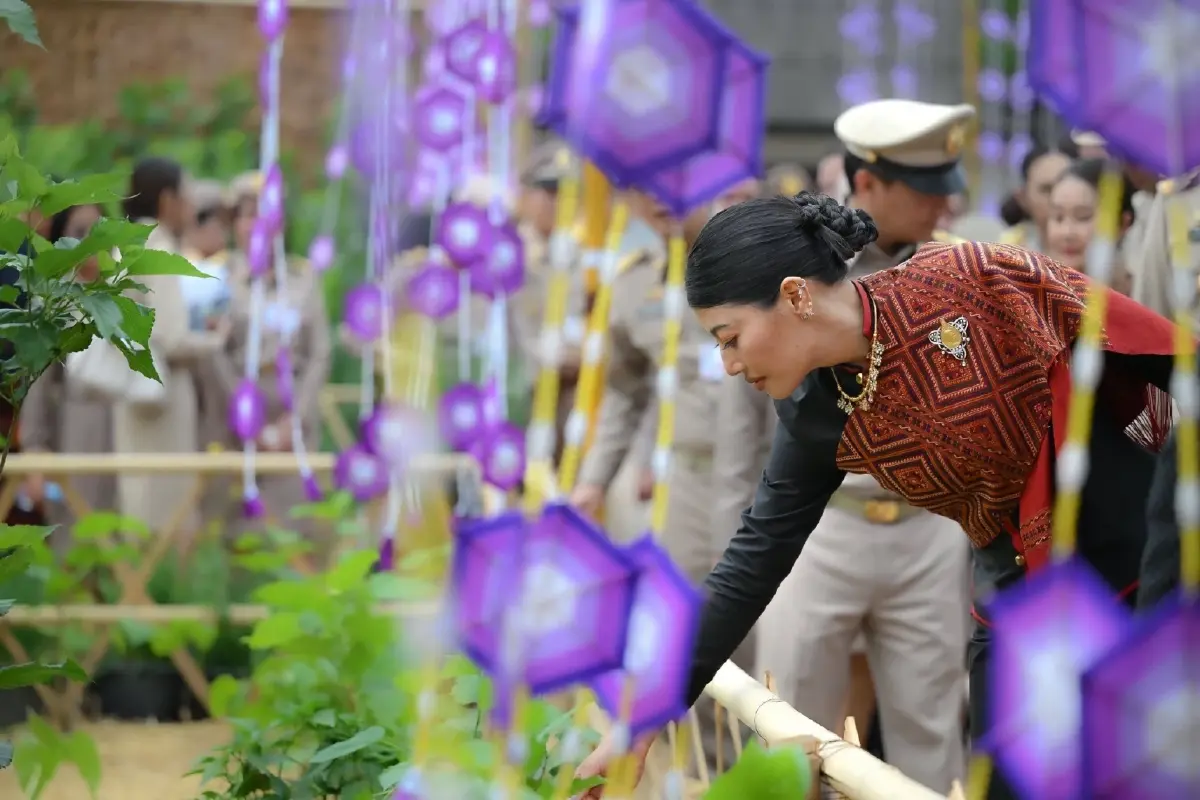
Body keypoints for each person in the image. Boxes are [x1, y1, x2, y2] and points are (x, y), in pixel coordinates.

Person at [574, 193, 1179, 800]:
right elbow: (753, 559)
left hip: (1138, 568)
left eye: (730, 337)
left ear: (794, 295)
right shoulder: (815, 410)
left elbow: (1151, 348)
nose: (729, 364)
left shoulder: (967, 276)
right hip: (1014, 594)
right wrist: (641, 721)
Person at [730, 99, 973, 792]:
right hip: (824, 526)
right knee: (790, 725)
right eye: (923, 190)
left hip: (928, 529)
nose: (942, 204)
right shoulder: (808, 272)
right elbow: (752, 402)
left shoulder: (960, 268)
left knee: (929, 733)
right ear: (867, 183)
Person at [569, 183, 757, 774]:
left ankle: (757, 774)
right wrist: (594, 479)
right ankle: (702, 777)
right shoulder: (633, 281)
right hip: (685, 487)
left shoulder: (754, 259)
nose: (660, 196)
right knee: (685, 634)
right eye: (645, 183)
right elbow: (625, 390)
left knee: (758, 649)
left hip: (764, 483)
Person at [114, 157, 226, 535]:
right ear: (167, 201)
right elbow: (171, 337)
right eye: (187, 198)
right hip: (163, 396)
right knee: (167, 513)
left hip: (131, 390)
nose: (192, 209)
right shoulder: (156, 247)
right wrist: (215, 341)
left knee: (138, 501)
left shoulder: (123, 243)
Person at [19, 204, 116, 538]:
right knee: (78, 539)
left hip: (130, 432)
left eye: (99, 230)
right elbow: (37, 386)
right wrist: (35, 452)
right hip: (77, 433)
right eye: (79, 232)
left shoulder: (130, 294)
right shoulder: (52, 304)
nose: (90, 240)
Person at [1045, 158, 1138, 295]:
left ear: (1123, 223)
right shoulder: (1029, 299)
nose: (1067, 232)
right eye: (1058, 217)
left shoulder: (1142, 295)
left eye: (1083, 217)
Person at [998, 146, 1073, 251]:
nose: (1058, 199)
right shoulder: (1007, 252)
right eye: (1047, 190)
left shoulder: (1096, 249)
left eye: (1066, 187)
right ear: (1023, 198)